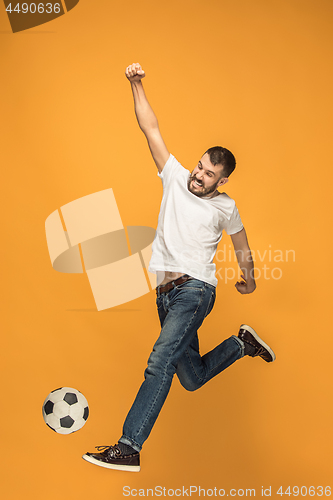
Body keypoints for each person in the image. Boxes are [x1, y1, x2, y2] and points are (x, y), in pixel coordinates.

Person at [82, 63, 275, 472]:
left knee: (159, 362)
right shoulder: (175, 176)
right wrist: (136, 86)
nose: (199, 176)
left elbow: (242, 245)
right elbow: (150, 128)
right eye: (200, 167)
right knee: (190, 377)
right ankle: (242, 344)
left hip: (195, 290)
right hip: (165, 295)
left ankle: (128, 446)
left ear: (222, 182)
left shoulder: (226, 207)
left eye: (209, 175)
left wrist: (250, 279)